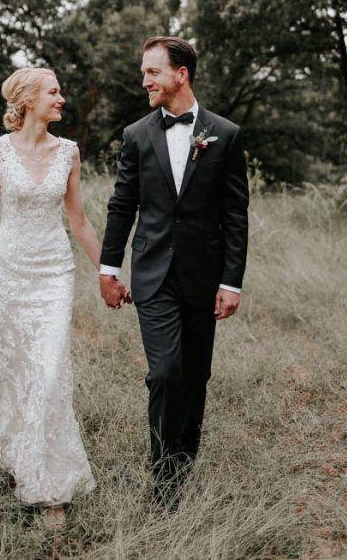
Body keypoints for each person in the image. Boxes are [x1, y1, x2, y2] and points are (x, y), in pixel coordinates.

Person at [99, 36, 249, 507]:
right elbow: (122, 205)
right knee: (165, 374)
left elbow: (236, 214)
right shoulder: (136, 135)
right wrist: (108, 267)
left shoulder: (225, 134)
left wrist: (231, 281)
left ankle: (184, 466)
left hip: (205, 278)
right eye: (145, 72)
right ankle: (163, 487)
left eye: (152, 72)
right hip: (154, 274)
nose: (144, 80)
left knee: (195, 375)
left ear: (180, 74)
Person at [0, 67, 101, 522]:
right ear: (29, 100)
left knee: (50, 369)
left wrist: (109, 272)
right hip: (10, 273)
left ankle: (48, 489)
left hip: (55, 273)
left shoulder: (70, 153)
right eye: (54, 92)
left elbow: (79, 221)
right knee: (15, 368)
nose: (62, 98)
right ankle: (21, 453)